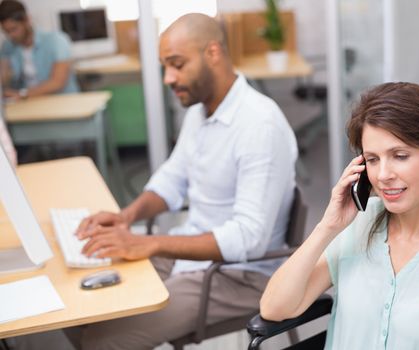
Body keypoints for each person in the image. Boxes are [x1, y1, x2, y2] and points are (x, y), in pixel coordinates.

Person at [64, 13, 297, 350]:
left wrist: (152, 243)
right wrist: (127, 217)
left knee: (102, 339)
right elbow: (172, 180)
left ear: (213, 53)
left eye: (176, 64)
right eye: (164, 66)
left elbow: (248, 240)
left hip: (239, 274)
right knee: (85, 300)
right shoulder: (200, 112)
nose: (167, 78)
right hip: (193, 252)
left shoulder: (259, 125)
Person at [260, 82, 419, 349]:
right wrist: (327, 227)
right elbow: (274, 308)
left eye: (400, 156)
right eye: (372, 159)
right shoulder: (358, 222)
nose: (383, 175)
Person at [0, 0, 78, 100]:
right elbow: (3, 78)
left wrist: (22, 94)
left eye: (14, 29)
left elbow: (58, 82)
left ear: (27, 20)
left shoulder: (56, 40)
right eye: (6, 31)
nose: (11, 35)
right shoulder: (8, 46)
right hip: (28, 104)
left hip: (60, 102)